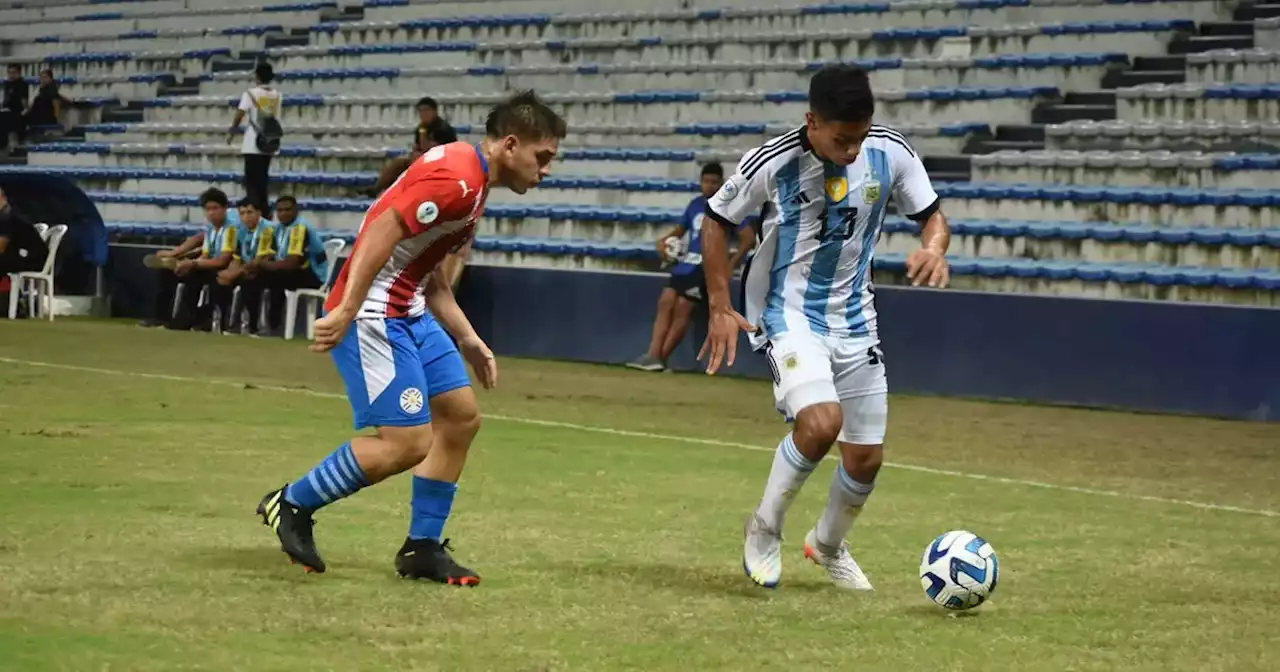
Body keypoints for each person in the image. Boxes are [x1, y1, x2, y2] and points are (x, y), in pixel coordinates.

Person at [256, 90, 567, 585]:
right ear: (510, 144)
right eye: (542, 156)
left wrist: (467, 338)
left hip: (410, 307)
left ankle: (422, 547)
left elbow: (427, 269)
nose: (546, 169)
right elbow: (381, 231)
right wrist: (349, 309)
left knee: (461, 419)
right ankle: (292, 502)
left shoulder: (473, 180)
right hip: (376, 315)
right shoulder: (460, 180)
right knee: (407, 444)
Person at [698, 64, 952, 591]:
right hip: (789, 314)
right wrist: (720, 304)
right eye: (842, 139)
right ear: (811, 121)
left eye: (860, 137)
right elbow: (715, 221)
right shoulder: (772, 162)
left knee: (865, 459)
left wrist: (934, 247)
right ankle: (765, 528)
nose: (853, 150)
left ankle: (828, 545)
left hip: (857, 320)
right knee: (819, 424)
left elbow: (932, 215)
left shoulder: (890, 152)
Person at [626, 162, 757, 372]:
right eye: (706, 181)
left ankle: (661, 358)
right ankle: (652, 355)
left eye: (715, 182)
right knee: (666, 301)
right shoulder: (695, 204)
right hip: (687, 264)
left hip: (706, 267)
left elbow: (748, 239)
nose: (710, 186)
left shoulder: (729, 206)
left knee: (683, 308)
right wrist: (664, 241)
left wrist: (729, 265)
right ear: (700, 182)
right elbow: (681, 229)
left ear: (722, 183)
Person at [140, 188, 241, 330]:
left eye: (215, 208)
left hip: (225, 267)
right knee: (169, 273)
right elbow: (206, 254)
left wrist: (193, 263)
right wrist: (191, 263)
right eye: (208, 209)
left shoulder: (231, 228)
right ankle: (161, 317)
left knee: (198, 277)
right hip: (210, 264)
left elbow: (223, 260)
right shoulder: (211, 229)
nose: (211, 213)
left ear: (225, 208)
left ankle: (191, 320)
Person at [251, 195, 328, 335]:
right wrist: (259, 264)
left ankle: (273, 328)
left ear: (296, 211)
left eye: (287, 210)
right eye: (279, 210)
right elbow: (271, 254)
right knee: (255, 277)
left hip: (313, 275)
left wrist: (263, 264)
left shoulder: (300, 227)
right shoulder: (279, 229)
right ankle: (252, 325)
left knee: (277, 277)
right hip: (294, 272)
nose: (283, 213)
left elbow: (293, 262)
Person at [362, 97, 459, 198]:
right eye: (420, 111)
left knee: (416, 160)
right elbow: (418, 147)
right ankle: (377, 189)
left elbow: (436, 149)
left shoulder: (443, 128)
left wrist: (421, 148)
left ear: (434, 111)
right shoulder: (421, 128)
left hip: (443, 162)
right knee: (398, 163)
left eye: (426, 110)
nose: (423, 114)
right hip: (424, 159)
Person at [214, 199, 275, 334]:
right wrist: (229, 273)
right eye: (242, 213)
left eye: (249, 212)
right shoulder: (238, 230)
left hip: (266, 268)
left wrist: (235, 273)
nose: (245, 217)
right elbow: (237, 258)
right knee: (220, 279)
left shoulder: (268, 229)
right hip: (247, 267)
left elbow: (260, 260)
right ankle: (224, 324)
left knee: (250, 281)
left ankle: (253, 326)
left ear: (259, 213)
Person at [228, 63, 281, 212]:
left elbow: (240, 113)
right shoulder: (277, 95)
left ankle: (254, 209)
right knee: (263, 179)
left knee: (251, 180)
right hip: (270, 140)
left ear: (257, 76)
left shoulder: (250, 94)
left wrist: (232, 130)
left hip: (253, 141)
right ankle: (264, 210)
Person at [0, 187, 49, 276]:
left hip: (33, 260)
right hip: (26, 256)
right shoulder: (7, 214)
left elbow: (1, 247)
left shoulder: (6, 217)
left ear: (4, 198)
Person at [1, 65, 29, 153]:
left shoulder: (22, 84)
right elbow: (5, 100)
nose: (11, 75)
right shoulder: (8, 84)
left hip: (17, 112)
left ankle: (5, 147)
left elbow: (24, 102)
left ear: (19, 73)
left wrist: (25, 110)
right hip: (7, 111)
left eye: (14, 73)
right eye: (10, 73)